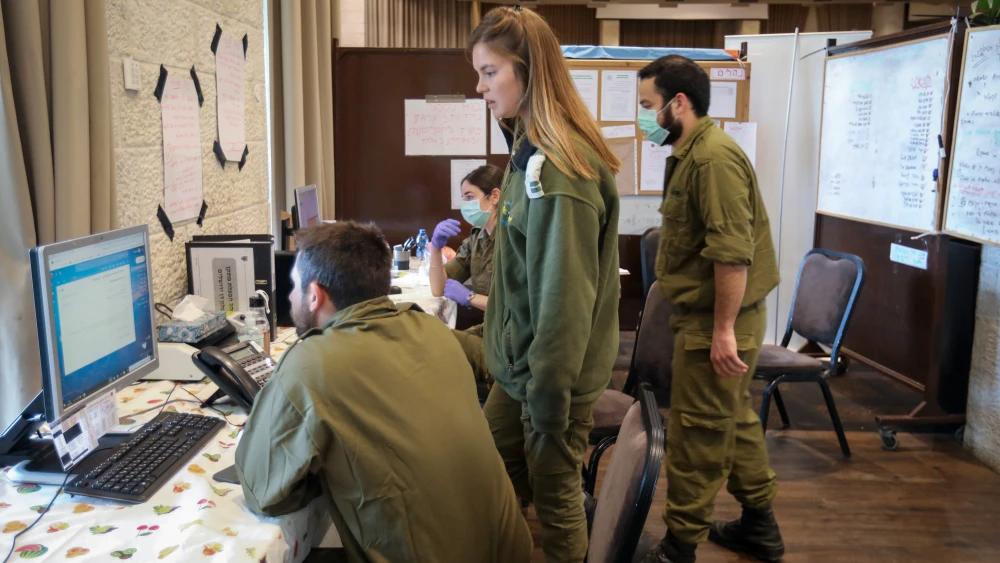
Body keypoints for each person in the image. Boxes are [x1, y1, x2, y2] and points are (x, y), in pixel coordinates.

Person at [235, 222, 532, 563]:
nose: (290, 297)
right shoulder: (430, 328)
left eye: (293, 287)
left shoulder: (310, 363)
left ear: (315, 295)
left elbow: (263, 492)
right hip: (509, 550)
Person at [469, 7, 621, 562]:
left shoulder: (557, 169)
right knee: (492, 479)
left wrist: (551, 408)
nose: (481, 86)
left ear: (527, 70)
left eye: (490, 72)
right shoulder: (527, 150)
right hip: (520, 369)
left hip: (547, 378)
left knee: (557, 500)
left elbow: (563, 301)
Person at [635, 56, 783, 563]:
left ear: (679, 103)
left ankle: (679, 547)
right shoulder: (691, 153)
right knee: (733, 419)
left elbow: (731, 253)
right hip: (713, 317)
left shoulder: (711, 160)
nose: (643, 118)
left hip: (720, 321)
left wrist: (722, 330)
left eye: (647, 106)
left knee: (697, 433)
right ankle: (760, 526)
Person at [429, 163, 504, 315]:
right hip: (490, 329)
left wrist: (470, 297)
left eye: (470, 197)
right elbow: (438, 289)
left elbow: (516, 309)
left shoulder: (513, 240)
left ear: (495, 196)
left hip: (511, 335)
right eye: (464, 198)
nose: (465, 205)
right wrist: (436, 250)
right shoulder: (476, 240)